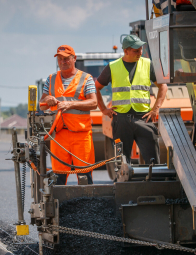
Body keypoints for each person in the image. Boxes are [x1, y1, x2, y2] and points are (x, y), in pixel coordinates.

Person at [95, 34, 167, 165]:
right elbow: (96, 88)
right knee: (121, 162)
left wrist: (155, 109)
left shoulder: (148, 64)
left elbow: (163, 86)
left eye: (140, 49)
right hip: (121, 120)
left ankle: (154, 184)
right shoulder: (112, 67)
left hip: (144, 118)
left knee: (153, 161)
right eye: (136, 50)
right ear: (126, 51)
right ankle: (122, 185)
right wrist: (104, 109)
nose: (140, 52)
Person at [39, 45, 98, 185]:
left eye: (66, 59)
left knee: (84, 176)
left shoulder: (86, 78)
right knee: (58, 177)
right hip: (59, 134)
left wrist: (70, 104)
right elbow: (42, 102)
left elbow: (93, 103)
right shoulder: (51, 79)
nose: (63, 62)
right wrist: (48, 99)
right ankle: (60, 206)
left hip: (81, 135)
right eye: (60, 59)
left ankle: (87, 205)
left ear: (74, 59)